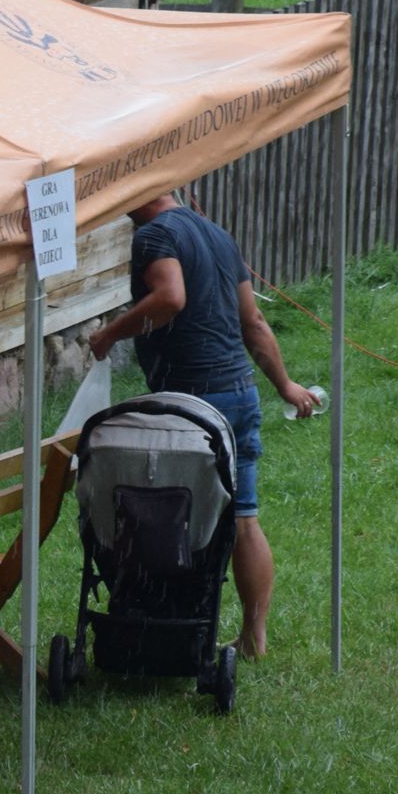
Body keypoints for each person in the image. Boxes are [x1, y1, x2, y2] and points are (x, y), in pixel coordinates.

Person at [88, 192, 320, 658]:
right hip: (238, 392)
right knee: (244, 519)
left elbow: (171, 297)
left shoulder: (154, 236)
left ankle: (172, 632)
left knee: (177, 519)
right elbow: (252, 321)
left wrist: (110, 334)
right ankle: (254, 637)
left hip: (191, 401)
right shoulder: (215, 233)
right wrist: (285, 385)